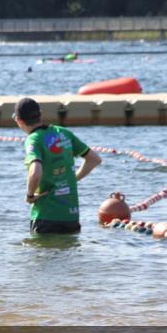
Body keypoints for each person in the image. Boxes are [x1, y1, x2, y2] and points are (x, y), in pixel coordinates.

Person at [13, 97, 101, 234]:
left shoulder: (33, 139)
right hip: (71, 216)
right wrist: (73, 178)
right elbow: (94, 159)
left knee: (40, 253)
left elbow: (35, 172)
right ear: (40, 114)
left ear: (19, 120)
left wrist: (29, 195)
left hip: (46, 216)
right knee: (68, 252)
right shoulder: (64, 133)